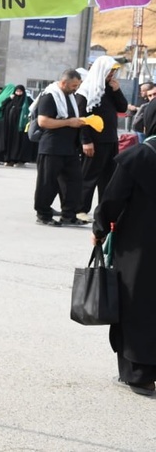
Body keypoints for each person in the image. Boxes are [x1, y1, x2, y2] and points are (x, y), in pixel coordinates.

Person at [92, 137, 156, 397]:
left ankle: (140, 374)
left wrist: (100, 227)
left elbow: (113, 197)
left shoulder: (141, 156)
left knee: (136, 304)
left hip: (139, 248)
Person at [31, 69, 88, 226]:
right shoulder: (50, 96)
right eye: (74, 85)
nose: (76, 89)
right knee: (47, 183)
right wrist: (69, 122)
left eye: (78, 85)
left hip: (69, 148)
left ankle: (69, 215)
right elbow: (43, 122)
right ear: (64, 83)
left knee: (73, 182)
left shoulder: (69, 96)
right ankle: (43, 215)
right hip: (51, 147)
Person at [75, 56, 127, 218]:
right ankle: (80, 209)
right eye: (110, 72)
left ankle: (104, 211)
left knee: (109, 178)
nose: (111, 75)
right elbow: (81, 119)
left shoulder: (110, 90)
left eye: (113, 72)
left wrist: (117, 90)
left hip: (110, 140)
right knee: (89, 176)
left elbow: (122, 107)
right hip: (94, 142)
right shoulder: (85, 92)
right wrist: (86, 141)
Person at [0, 85, 33, 167]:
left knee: (19, 143)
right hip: (10, 127)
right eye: (17, 91)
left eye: (20, 91)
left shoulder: (27, 100)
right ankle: (9, 160)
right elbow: (2, 106)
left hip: (20, 127)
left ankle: (18, 160)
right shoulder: (11, 100)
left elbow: (33, 109)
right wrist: (9, 98)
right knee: (9, 142)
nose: (18, 93)